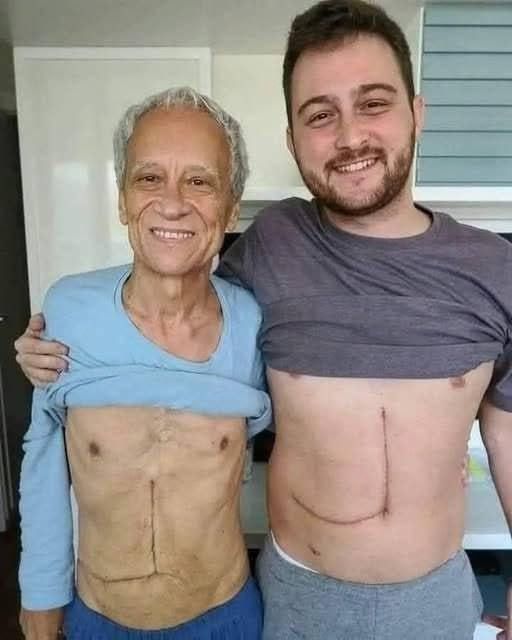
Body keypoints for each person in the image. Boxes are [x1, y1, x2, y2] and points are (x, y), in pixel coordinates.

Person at [14, 1, 512, 639]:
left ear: (417, 113)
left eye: (374, 103)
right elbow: (174, 282)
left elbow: (506, 433)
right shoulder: (274, 243)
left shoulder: (495, 269)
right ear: (292, 139)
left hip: (434, 598)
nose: (350, 136)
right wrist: (48, 345)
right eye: (320, 115)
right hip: (298, 599)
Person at [16, 86, 271, 640]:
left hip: (225, 616)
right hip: (98, 617)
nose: (172, 203)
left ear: (230, 207)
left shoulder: (255, 325)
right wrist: (39, 595)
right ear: (122, 199)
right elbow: (44, 460)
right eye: (149, 177)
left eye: (200, 181)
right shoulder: (69, 311)